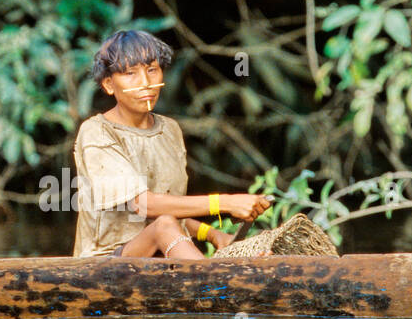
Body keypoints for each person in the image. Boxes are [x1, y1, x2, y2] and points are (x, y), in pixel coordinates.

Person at [72, 29, 271, 259]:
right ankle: (215, 281)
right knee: (164, 226)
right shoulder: (97, 131)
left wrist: (213, 234)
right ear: (108, 85)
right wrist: (225, 203)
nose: (145, 83)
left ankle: (216, 275)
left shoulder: (170, 130)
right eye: (130, 73)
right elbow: (145, 206)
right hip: (105, 262)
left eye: (152, 70)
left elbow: (167, 211)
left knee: (166, 224)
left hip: (158, 253)